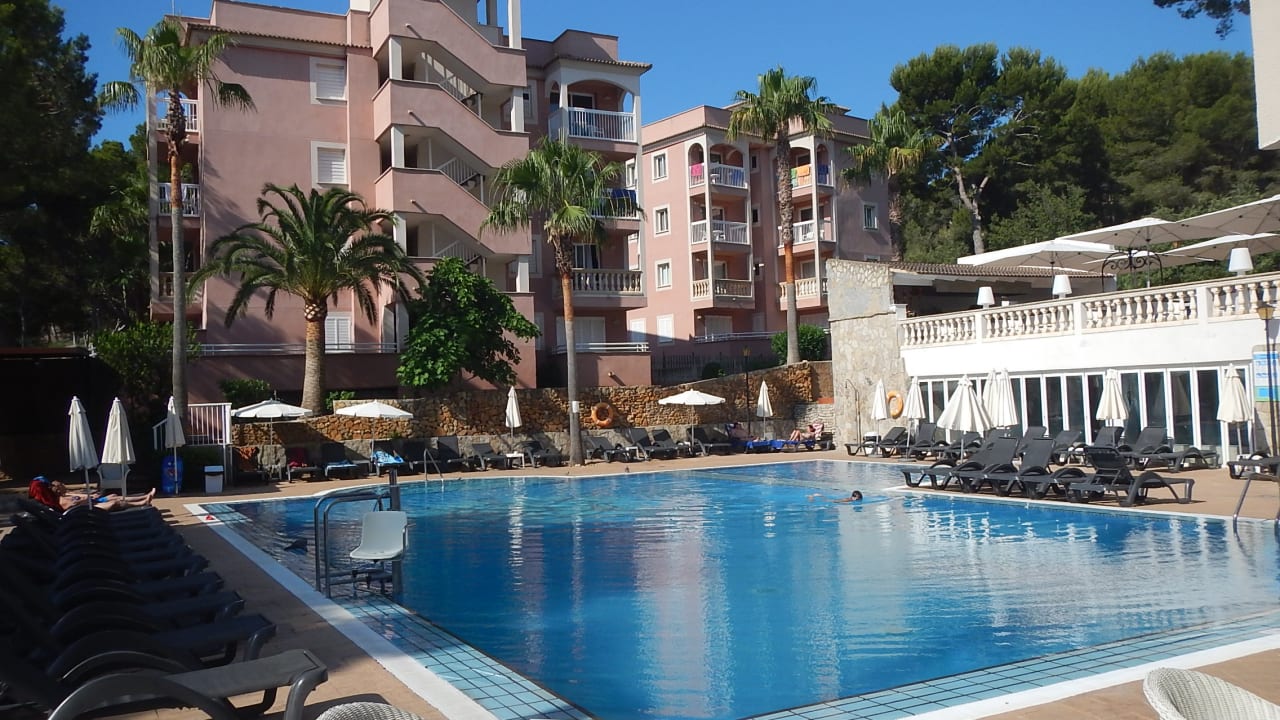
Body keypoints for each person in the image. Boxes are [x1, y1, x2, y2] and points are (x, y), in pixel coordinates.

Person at [29, 476, 155, 512]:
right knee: (114, 502)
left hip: (90, 505)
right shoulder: (60, 500)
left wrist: (89, 498)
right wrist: (87, 499)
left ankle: (143, 497)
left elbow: (77, 500)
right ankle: (142, 502)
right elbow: (74, 505)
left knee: (113, 497)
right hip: (88, 511)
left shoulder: (59, 498)